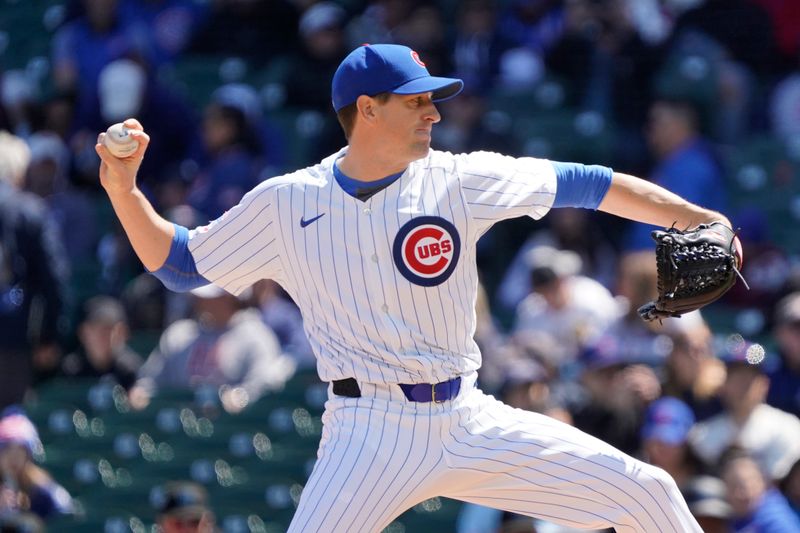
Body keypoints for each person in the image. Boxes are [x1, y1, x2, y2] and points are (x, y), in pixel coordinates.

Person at [95, 43, 744, 532]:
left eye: (433, 98)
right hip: (367, 429)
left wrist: (694, 218)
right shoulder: (288, 204)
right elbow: (183, 264)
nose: (434, 111)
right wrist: (124, 190)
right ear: (367, 111)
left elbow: (589, 181)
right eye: (417, 100)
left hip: (467, 414)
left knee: (650, 493)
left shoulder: (459, 178)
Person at [128, 284, 295, 413]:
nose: (201, 301)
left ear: (232, 296)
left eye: (213, 296)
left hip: (234, 434)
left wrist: (243, 396)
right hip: (179, 431)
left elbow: (265, 383)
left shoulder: (256, 336)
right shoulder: (179, 335)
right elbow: (150, 381)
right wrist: (142, 392)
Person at [0, 131, 68, 408]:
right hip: (11, 341)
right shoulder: (29, 210)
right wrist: (48, 337)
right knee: (9, 432)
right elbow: (54, 280)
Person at [689, 339, 800, 483]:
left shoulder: (788, 427)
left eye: (750, 379)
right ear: (724, 385)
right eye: (736, 377)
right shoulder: (703, 434)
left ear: (764, 384)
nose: (743, 385)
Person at [0, 409, 73, 520]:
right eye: (6, 450)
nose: (13, 458)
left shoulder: (44, 492)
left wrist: (29, 522)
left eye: (20, 451)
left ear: (28, 456)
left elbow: (65, 520)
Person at [59, 295, 143, 390]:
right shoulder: (70, 369)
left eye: (109, 328)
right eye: (96, 328)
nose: (102, 336)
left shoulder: (131, 369)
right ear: (83, 332)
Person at [721, 447, 800, 532]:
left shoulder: (776, 519)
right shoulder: (741, 517)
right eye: (734, 486)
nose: (741, 493)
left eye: (747, 485)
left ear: (762, 483)